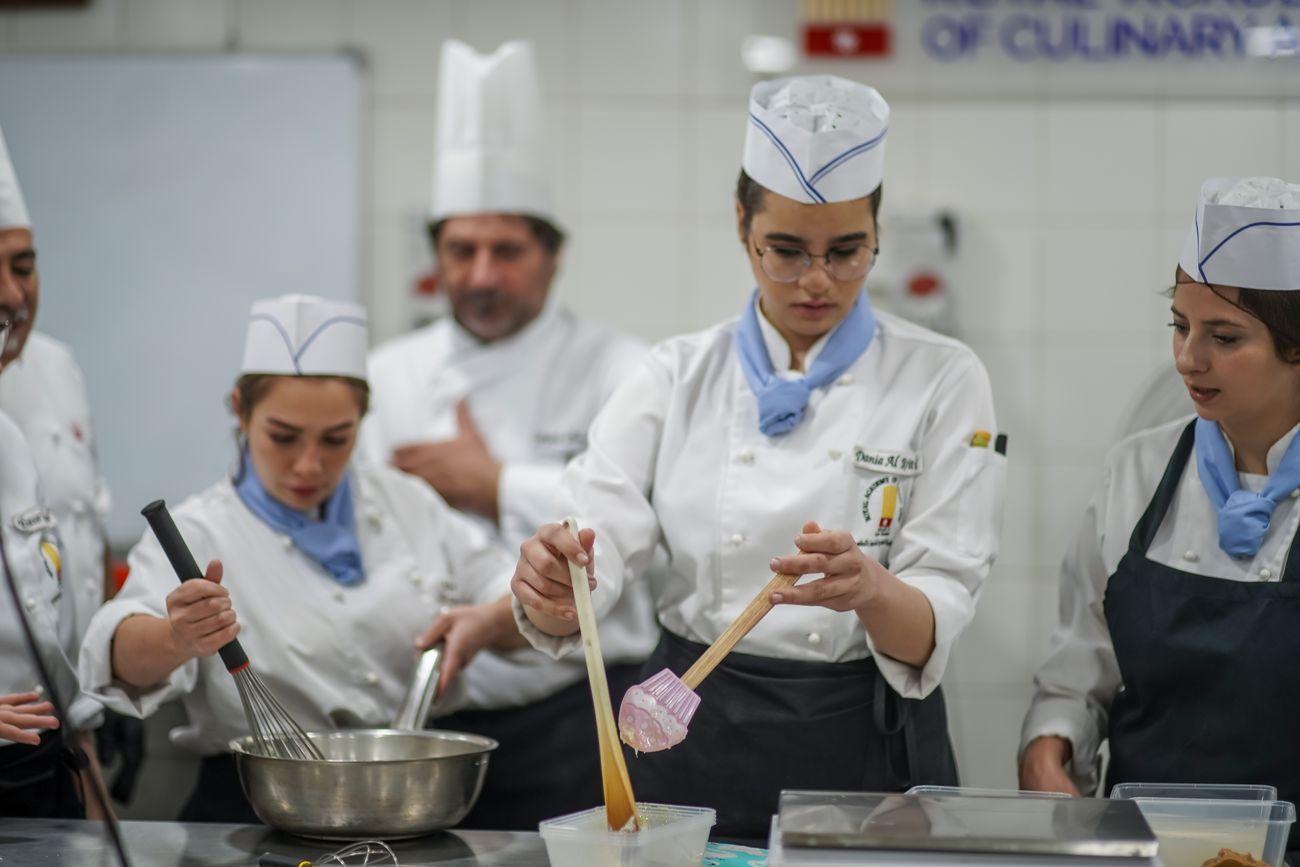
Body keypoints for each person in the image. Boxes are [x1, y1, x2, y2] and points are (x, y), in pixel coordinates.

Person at [510, 74, 1007, 840]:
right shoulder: (674, 374)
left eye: (847, 252)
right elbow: (595, 543)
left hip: (863, 747)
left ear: (877, 237)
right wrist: (556, 582)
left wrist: (869, 589)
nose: (816, 280)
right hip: (689, 731)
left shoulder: (942, 377)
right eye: (785, 250)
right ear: (742, 226)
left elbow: (935, 613)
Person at [360, 39, 656, 830]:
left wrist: (494, 482)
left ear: (553, 258)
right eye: (461, 250)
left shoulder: (622, 369)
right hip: (420, 720)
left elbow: (630, 527)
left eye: (507, 251)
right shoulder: (384, 376)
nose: (483, 274)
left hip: (572, 716)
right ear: (436, 257)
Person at [78, 295, 520, 823]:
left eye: (337, 439)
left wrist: (491, 620)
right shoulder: (201, 530)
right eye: (283, 437)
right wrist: (176, 638)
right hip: (259, 808)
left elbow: (505, 588)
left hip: (411, 802)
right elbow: (118, 653)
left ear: (363, 419)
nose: (309, 464)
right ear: (240, 409)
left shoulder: (405, 502)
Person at [1019, 178, 1300, 850]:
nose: (1186, 358)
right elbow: (1080, 664)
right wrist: (1048, 747)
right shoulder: (1138, 471)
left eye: (1224, 337)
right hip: (1141, 847)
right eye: (1180, 325)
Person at [0, 125, 107, 819]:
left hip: (44, 749)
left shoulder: (50, 378)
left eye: (25, 264)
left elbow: (68, 553)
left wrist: (84, 733)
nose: (11, 295)